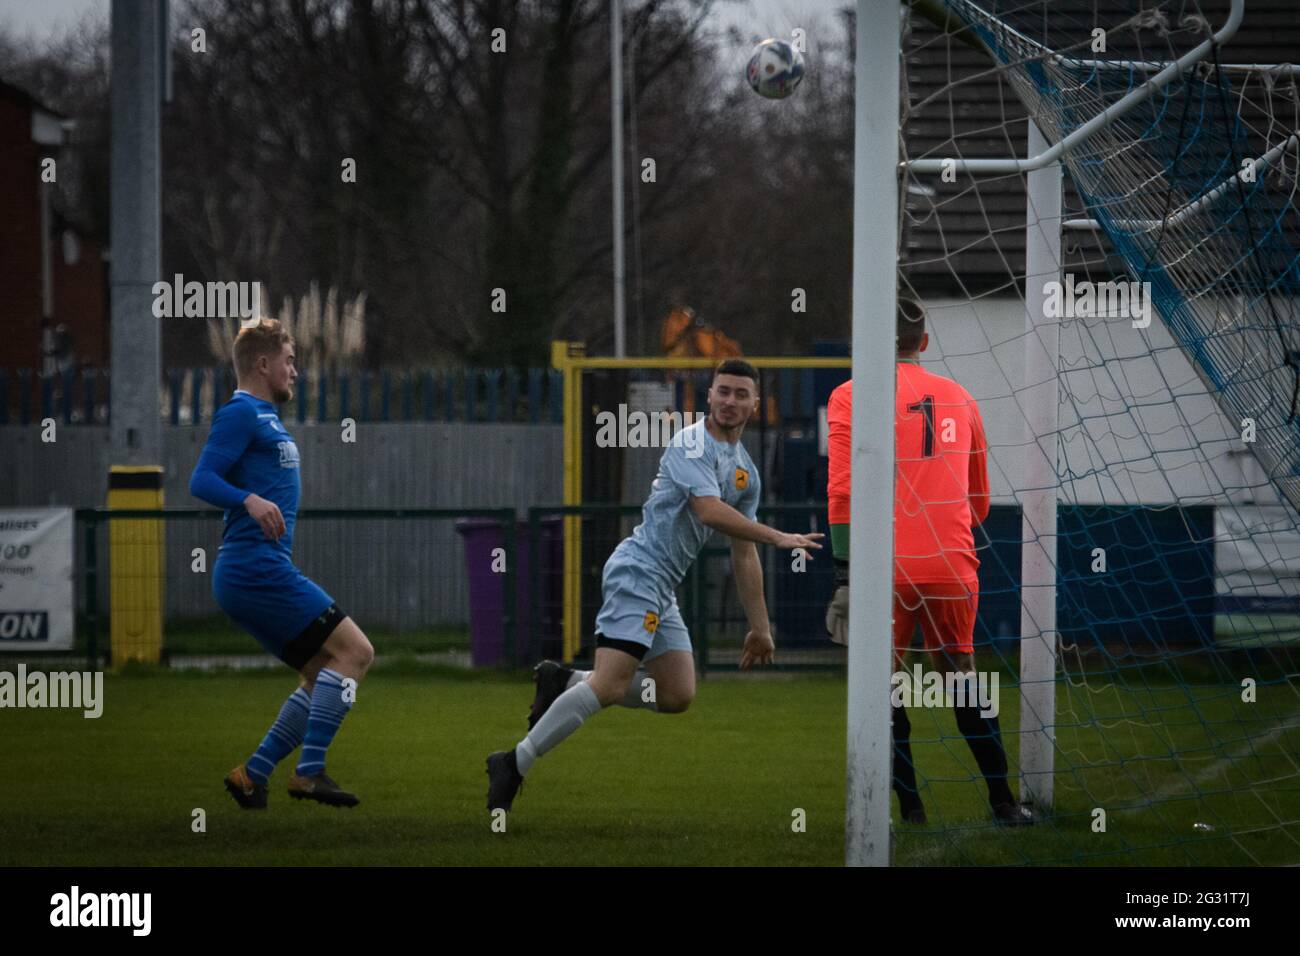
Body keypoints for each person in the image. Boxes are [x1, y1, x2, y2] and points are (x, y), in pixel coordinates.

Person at [486, 359, 824, 811]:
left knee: (677, 693)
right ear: (709, 395)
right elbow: (707, 510)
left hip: (662, 586)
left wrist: (761, 627)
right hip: (638, 570)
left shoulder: (746, 473)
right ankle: (513, 761)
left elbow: (743, 551)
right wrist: (778, 535)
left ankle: (566, 679)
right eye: (723, 391)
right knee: (610, 685)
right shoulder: (690, 443)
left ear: (756, 404)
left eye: (741, 394)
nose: (730, 401)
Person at [825, 297, 1033, 826]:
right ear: (923, 342)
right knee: (960, 673)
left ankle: (910, 810)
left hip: (884, 568)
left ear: (866, 341)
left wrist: (846, 578)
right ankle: (1003, 801)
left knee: (884, 684)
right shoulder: (961, 398)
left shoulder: (850, 396)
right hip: (950, 561)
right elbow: (980, 502)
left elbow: (843, 493)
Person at [189, 319, 374, 809]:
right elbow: (201, 479)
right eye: (290, 361)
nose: (296, 371)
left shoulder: (266, 416)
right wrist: (248, 499)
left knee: (320, 675)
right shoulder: (240, 413)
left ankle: (252, 774)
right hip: (254, 569)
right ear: (263, 363)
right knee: (356, 653)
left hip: (254, 570)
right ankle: (310, 772)